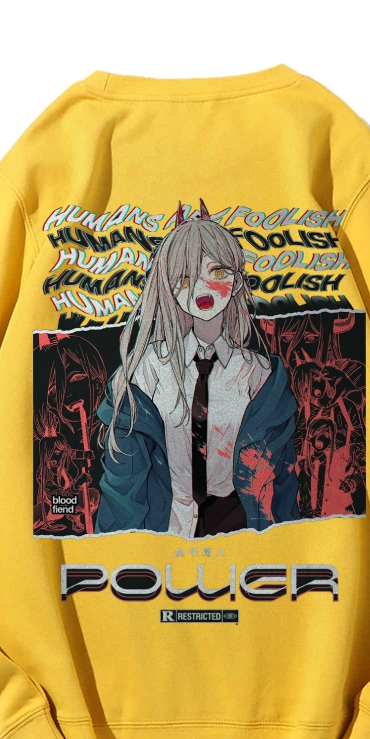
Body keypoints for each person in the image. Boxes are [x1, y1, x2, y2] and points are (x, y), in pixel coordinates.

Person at [95, 199, 301, 538]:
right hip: (165, 526)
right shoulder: (146, 373)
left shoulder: (259, 375)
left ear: (236, 282)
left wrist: (284, 545)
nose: (202, 288)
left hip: (241, 527)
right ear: (168, 286)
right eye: (185, 277)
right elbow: (123, 485)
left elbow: (278, 483)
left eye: (217, 272)